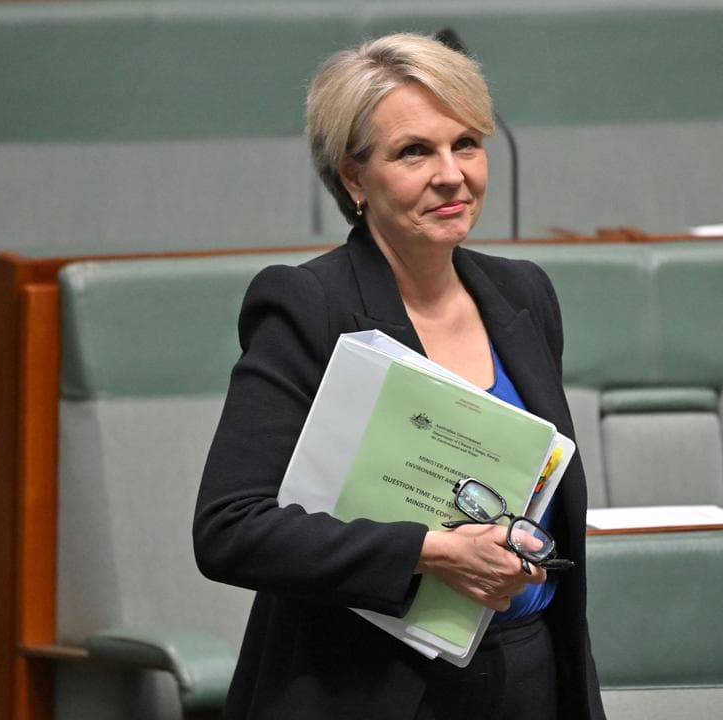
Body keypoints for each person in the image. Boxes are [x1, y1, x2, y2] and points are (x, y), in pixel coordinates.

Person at [193, 32, 605, 720]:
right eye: (415, 151)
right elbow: (232, 529)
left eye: (466, 143)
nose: (452, 174)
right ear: (354, 178)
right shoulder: (308, 306)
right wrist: (431, 552)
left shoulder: (524, 295)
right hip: (368, 689)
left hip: (530, 674)